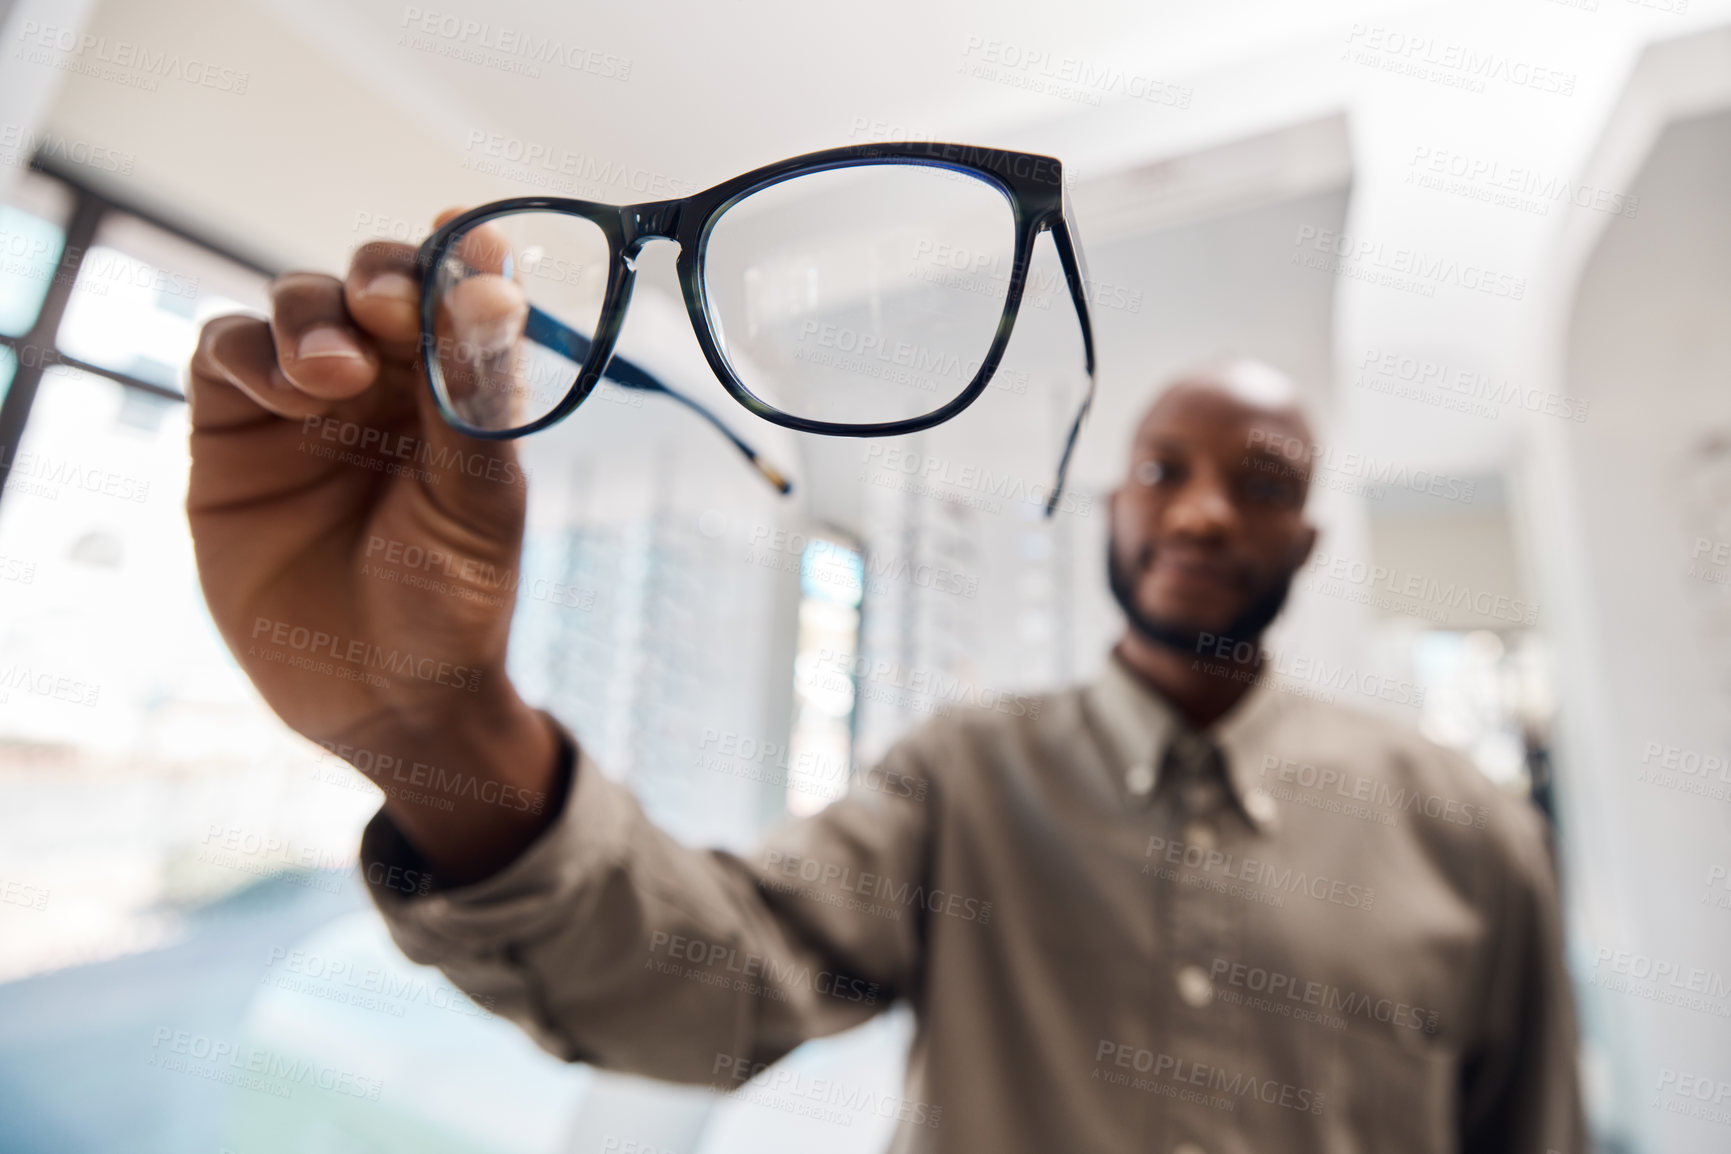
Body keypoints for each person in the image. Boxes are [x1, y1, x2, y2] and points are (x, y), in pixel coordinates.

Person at [186, 222, 1585, 1154]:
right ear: (1108, 506)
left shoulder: (1469, 831)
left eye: (1262, 483)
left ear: (1311, 541)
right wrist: (448, 733)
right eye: (1166, 470)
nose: (1207, 513)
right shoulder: (967, 781)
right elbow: (715, 983)